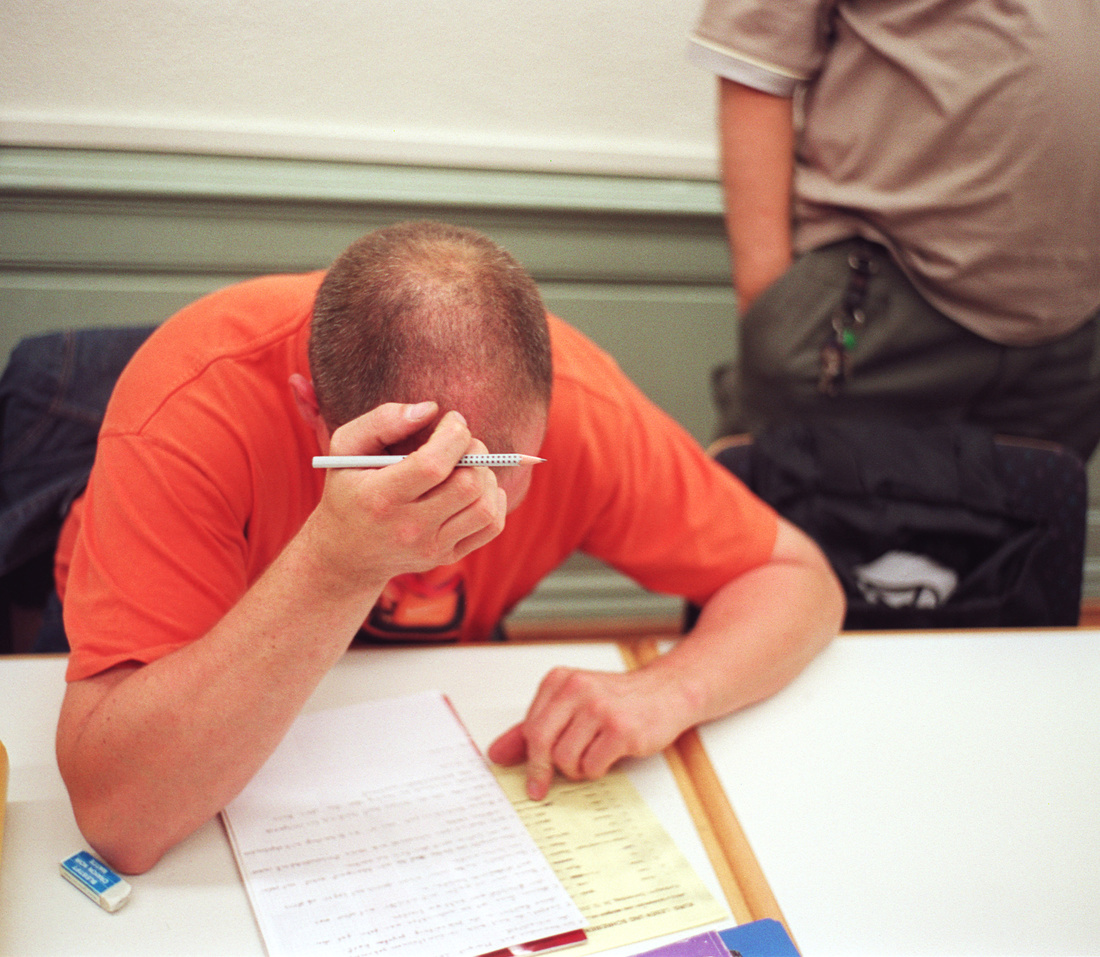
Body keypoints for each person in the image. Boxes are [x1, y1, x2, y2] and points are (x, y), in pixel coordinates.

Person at [53, 220, 844, 874]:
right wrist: (340, 561)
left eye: (499, 469)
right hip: (186, 695)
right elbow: (123, 817)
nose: (458, 507)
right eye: (410, 468)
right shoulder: (193, 403)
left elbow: (798, 579)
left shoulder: (587, 415)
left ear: (545, 415)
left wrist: (668, 692)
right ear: (310, 412)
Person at [688, 0, 1100, 460]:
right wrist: (769, 306)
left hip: (1065, 326)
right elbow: (752, 61)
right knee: (795, 527)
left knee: (1022, 527)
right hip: (875, 294)